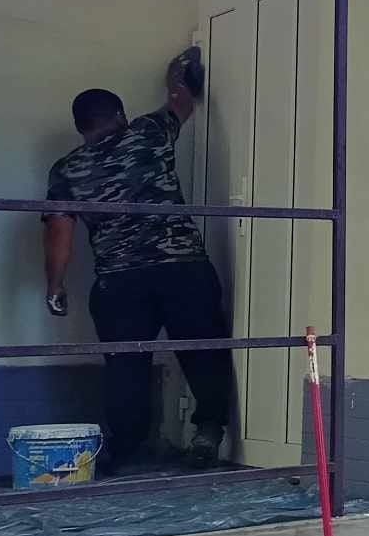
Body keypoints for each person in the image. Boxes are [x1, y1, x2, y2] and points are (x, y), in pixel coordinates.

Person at [43, 52, 233, 472]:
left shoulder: (66, 169)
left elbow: (59, 229)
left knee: (126, 366)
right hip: (182, 267)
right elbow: (182, 102)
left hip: (118, 282)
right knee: (203, 351)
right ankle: (207, 431)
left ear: (80, 127)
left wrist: (55, 287)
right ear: (120, 115)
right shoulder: (148, 132)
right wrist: (175, 75)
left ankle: (129, 451)